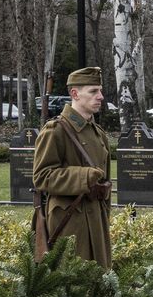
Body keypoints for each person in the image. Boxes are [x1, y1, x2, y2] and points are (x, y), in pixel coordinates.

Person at [32, 66, 114, 269]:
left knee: (99, 275)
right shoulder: (56, 130)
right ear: (75, 94)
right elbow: (42, 176)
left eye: (100, 91)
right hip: (69, 221)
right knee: (72, 278)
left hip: (96, 218)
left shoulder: (98, 133)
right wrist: (83, 177)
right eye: (93, 91)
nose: (100, 97)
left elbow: (105, 181)